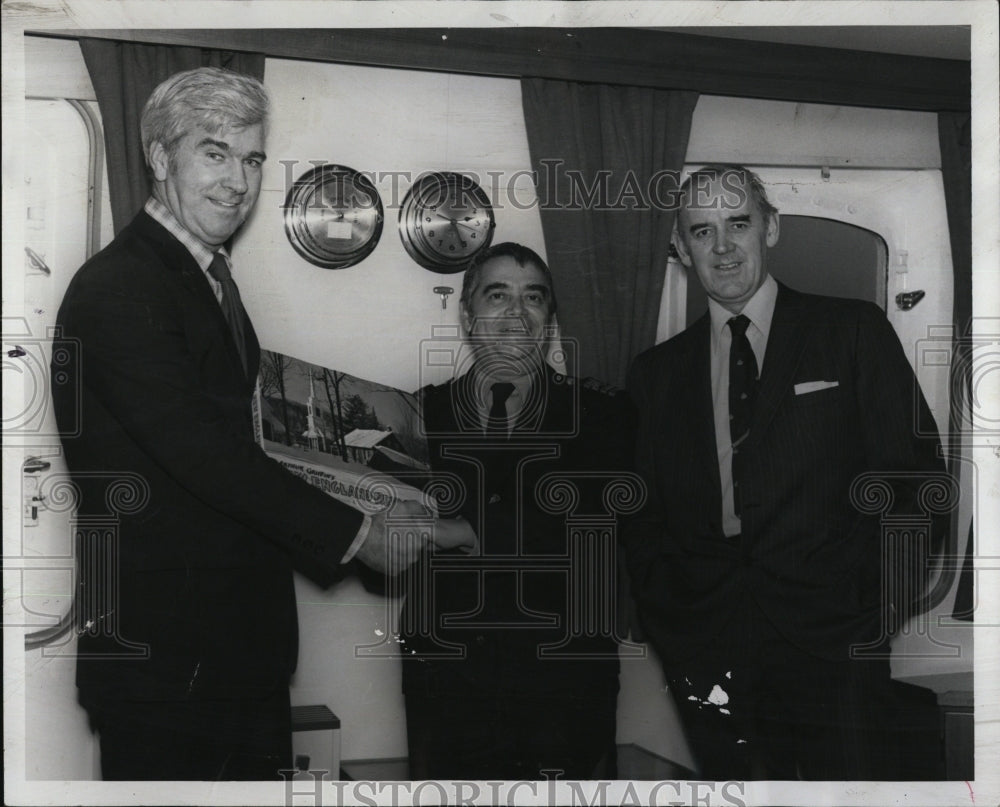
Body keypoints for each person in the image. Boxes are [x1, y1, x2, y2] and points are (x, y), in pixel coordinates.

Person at [51, 67, 471, 781]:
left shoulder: (206, 278)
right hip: (169, 668)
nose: (237, 182)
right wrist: (361, 533)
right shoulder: (119, 288)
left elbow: (254, 443)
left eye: (251, 159)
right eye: (215, 153)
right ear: (159, 157)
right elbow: (208, 457)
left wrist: (383, 491)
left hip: (227, 656)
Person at [624, 165, 949, 780]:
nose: (721, 248)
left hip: (835, 638)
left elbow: (916, 483)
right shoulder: (656, 373)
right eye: (701, 231)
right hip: (707, 642)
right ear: (681, 247)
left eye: (737, 224)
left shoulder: (851, 331)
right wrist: (669, 613)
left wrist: (877, 607)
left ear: (770, 229)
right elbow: (643, 513)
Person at [399, 242, 635, 780]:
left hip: (563, 686)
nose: (515, 313)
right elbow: (393, 560)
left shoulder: (602, 414)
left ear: (550, 319)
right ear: (466, 314)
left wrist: (462, 531)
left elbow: (590, 528)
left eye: (533, 298)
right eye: (497, 295)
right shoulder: (418, 414)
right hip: (446, 684)